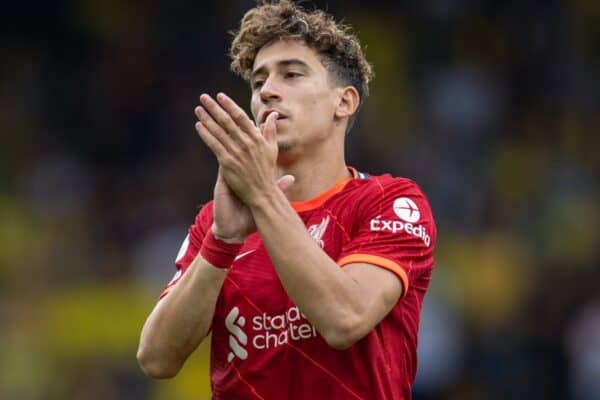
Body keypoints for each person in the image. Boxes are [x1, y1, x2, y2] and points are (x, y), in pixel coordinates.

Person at [137, 1, 436, 399]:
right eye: (258, 83)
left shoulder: (390, 202)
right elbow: (156, 359)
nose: (268, 93)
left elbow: (345, 320)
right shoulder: (219, 222)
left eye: (291, 74)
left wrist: (262, 197)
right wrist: (221, 243)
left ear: (343, 102)